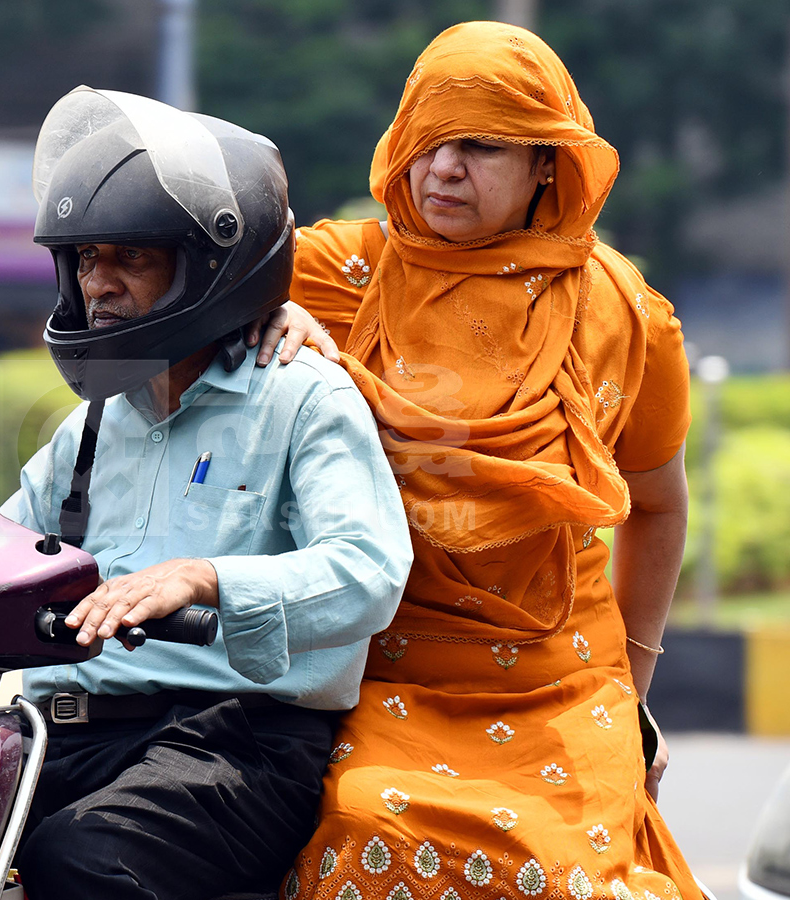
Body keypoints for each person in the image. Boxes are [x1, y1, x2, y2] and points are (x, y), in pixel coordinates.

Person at [262, 22, 702, 900]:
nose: (443, 170)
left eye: (480, 146)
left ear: (549, 163)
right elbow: (175, 289)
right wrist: (262, 316)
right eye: (427, 142)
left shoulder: (623, 312)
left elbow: (660, 506)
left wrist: (632, 691)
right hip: (384, 675)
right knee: (361, 826)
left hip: (565, 683)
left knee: (569, 876)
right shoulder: (333, 275)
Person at [0, 88, 412, 900]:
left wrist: (206, 578)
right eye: (85, 260)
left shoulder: (300, 398)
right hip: (61, 739)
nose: (101, 285)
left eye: (131, 258)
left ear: (210, 266)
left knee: (82, 863)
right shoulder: (89, 428)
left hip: (232, 745)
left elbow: (369, 570)